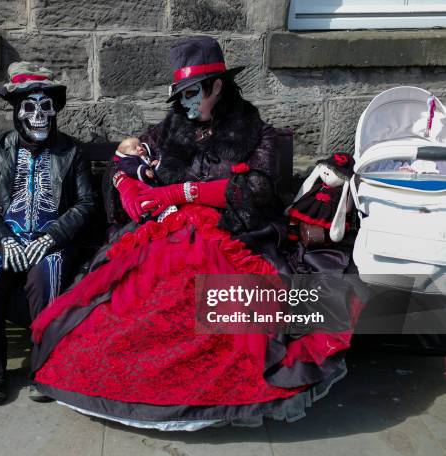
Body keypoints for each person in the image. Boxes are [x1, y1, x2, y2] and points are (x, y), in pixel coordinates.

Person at [28, 37, 359, 430]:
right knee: (126, 306)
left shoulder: (256, 134)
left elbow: (256, 190)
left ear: (217, 88)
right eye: (179, 96)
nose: (184, 105)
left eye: (191, 94)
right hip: (164, 236)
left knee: (207, 304)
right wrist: (127, 177)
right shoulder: (171, 129)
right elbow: (128, 160)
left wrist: (180, 191)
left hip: (233, 237)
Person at [0, 62, 97, 405]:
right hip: (7, 239)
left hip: (51, 241)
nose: (39, 115)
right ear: (16, 111)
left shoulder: (71, 151)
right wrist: (1, 238)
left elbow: (86, 204)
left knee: (48, 275)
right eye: (29, 106)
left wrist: (51, 237)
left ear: (54, 111)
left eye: (46, 106)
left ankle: (45, 367)